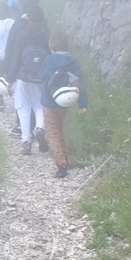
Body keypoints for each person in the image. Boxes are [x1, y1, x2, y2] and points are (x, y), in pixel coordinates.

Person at [37, 31, 87, 178]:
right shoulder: (73, 62)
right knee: (59, 129)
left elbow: (42, 77)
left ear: (52, 45)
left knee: (52, 133)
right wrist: (83, 103)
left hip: (49, 101)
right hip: (65, 102)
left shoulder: (49, 60)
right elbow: (80, 83)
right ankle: (65, 158)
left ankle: (61, 164)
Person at [6, 0, 50, 154]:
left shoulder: (22, 34)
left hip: (23, 76)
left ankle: (26, 141)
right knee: (39, 106)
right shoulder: (45, 34)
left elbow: (15, 58)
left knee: (23, 108)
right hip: (40, 76)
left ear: (28, 17)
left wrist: (10, 79)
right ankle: (40, 129)